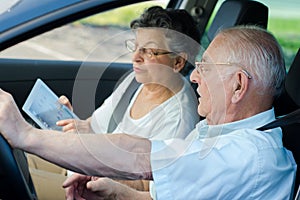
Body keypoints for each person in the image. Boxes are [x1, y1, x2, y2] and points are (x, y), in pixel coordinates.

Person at [0, 25, 296, 199]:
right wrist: (116, 193)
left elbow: (138, 154)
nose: (194, 77)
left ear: (238, 85)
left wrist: (24, 134)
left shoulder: (244, 156)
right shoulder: (221, 135)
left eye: (205, 68)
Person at [26, 6, 201, 200]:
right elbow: (94, 126)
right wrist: (73, 122)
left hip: (92, 188)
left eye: (149, 51)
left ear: (178, 62)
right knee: (18, 155)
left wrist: (98, 170)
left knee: (15, 178)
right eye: (135, 48)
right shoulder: (135, 83)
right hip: (81, 162)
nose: (135, 58)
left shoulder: (179, 122)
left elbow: (152, 188)